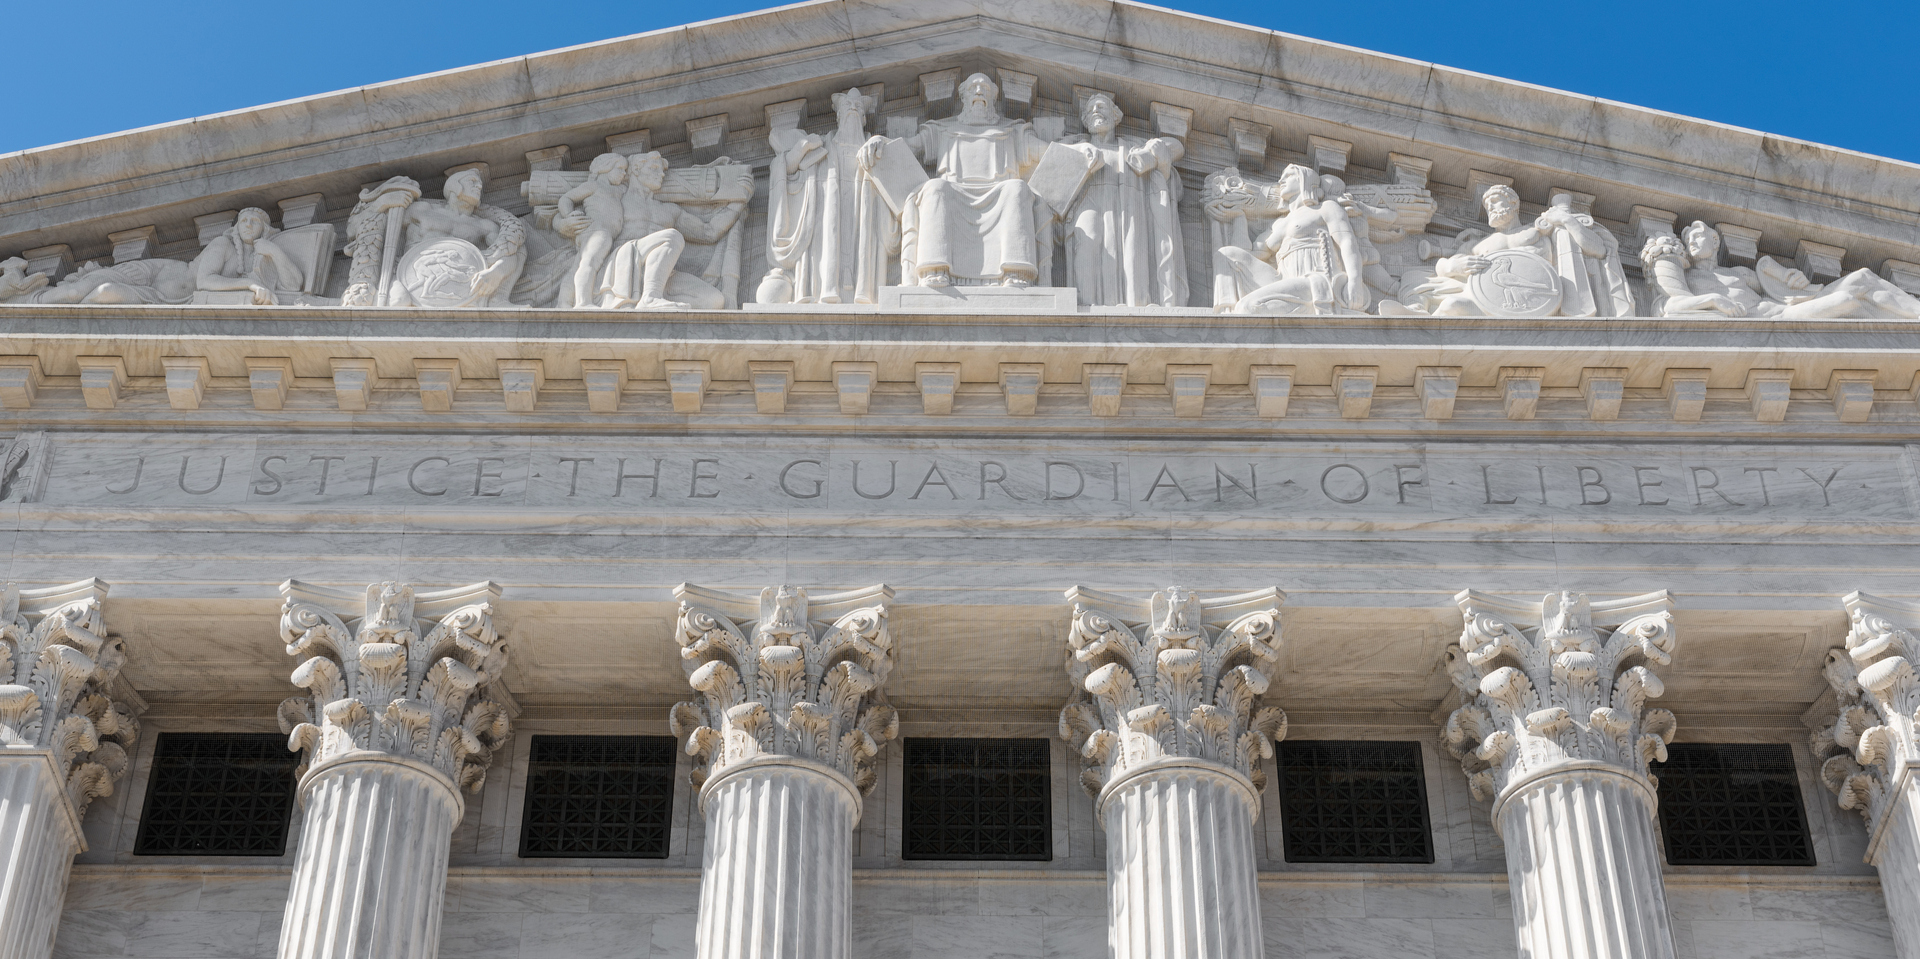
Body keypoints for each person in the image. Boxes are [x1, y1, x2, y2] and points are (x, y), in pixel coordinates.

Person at [870, 73, 1051, 287]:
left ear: (993, 98)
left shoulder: (1012, 131)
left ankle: (1016, 273)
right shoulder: (943, 129)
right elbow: (911, 146)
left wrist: (1080, 149)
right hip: (953, 197)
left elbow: (1045, 151)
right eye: (973, 88)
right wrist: (880, 141)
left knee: (1017, 188)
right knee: (935, 187)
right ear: (963, 97)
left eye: (984, 87)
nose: (978, 91)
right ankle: (935, 270)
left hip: (1000, 198)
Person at [758, 88, 893, 305]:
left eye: (858, 107)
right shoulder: (820, 149)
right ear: (838, 116)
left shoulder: (877, 150)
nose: (853, 108)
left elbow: (904, 175)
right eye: (847, 105)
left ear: (865, 118)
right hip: (823, 226)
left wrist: (883, 144)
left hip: (865, 221)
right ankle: (824, 289)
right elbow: (787, 169)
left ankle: (863, 292)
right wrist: (801, 148)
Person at [1057, 92, 1188, 307]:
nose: (1095, 112)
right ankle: (1086, 312)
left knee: (1133, 259)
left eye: (1101, 107)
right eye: (1090, 110)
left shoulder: (1132, 150)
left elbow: (1174, 152)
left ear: (1116, 116)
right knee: (1086, 250)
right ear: (1084, 122)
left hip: (1129, 211)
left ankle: (1135, 307)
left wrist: (1160, 159)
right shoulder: (1076, 147)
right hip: (1087, 207)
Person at [1641, 220, 1920, 319]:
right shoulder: (1689, 277)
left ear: (1715, 242)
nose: (1691, 242)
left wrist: (1795, 277)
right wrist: (1713, 300)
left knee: (1863, 277)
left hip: (1787, 308)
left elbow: (1779, 282)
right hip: (1781, 320)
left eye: (1698, 237)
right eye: (1688, 239)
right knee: (1848, 300)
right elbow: (1672, 306)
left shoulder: (1741, 273)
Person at [580, 152, 750, 310]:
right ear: (636, 170)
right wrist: (561, 221)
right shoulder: (616, 198)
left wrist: (739, 203)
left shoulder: (669, 210)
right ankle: (650, 298)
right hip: (625, 262)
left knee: (714, 300)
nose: (661, 174)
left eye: (662, 171)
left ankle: (656, 309)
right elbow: (588, 220)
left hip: (663, 273)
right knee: (672, 236)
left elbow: (709, 232)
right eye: (653, 168)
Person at [1214, 163, 1368, 314]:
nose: (1281, 181)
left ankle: (1320, 308)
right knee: (1226, 254)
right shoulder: (1278, 224)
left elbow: (1348, 243)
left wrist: (1355, 282)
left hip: (1314, 281)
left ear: (1305, 180)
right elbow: (1252, 255)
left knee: (1247, 307)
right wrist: (1239, 218)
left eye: (1289, 176)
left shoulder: (1325, 208)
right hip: (1282, 280)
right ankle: (1223, 315)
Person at [557, 153, 628, 310]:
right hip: (597, 231)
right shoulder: (593, 186)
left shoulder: (618, 189)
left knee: (579, 265)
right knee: (589, 263)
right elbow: (566, 199)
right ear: (605, 168)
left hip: (603, 233)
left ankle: (564, 303)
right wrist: (569, 216)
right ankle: (583, 302)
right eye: (620, 169)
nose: (624, 174)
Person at [192, 207, 303, 305]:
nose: (248, 225)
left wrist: (275, 252)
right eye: (243, 221)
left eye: (255, 221)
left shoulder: (266, 257)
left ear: (264, 229)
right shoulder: (223, 243)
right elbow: (203, 281)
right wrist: (250, 283)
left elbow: (294, 286)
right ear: (237, 228)